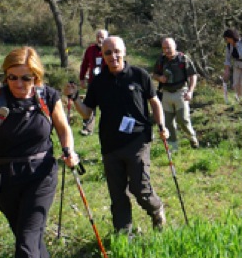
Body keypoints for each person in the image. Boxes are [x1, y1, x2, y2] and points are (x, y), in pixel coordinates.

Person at [65, 36, 170, 234]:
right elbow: (87, 112)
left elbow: (154, 101)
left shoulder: (139, 75)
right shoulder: (98, 82)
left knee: (140, 188)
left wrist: (161, 125)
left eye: (116, 51)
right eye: (108, 53)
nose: (113, 56)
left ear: (124, 51)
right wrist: (73, 98)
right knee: (117, 193)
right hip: (110, 143)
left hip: (137, 140)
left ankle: (156, 211)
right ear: (102, 56)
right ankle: (123, 233)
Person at [0, 47, 78, 258]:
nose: (18, 84)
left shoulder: (48, 97)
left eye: (26, 78)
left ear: (36, 76)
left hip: (40, 174)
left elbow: (63, 129)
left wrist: (69, 150)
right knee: (28, 238)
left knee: (27, 240)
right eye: (12, 77)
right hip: (4, 177)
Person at [152, 38, 199, 151]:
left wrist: (190, 91)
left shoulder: (183, 59)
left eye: (169, 47)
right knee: (168, 123)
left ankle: (192, 138)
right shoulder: (161, 60)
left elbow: (193, 75)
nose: (166, 50)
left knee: (183, 119)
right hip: (166, 93)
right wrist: (160, 78)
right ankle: (173, 148)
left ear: (175, 46)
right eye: (164, 48)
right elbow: (154, 74)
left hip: (180, 92)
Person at [78, 29, 108, 135]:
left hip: (106, 82)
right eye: (98, 36)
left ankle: (107, 128)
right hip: (93, 82)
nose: (100, 39)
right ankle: (87, 129)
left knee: (107, 106)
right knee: (89, 105)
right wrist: (82, 78)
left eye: (103, 37)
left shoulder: (109, 49)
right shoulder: (90, 49)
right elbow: (85, 64)